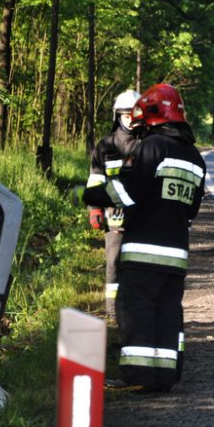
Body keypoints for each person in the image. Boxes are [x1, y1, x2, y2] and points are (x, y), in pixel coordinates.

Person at [83, 83, 206, 393]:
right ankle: (163, 378)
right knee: (166, 312)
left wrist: (92, 194)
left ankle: (137, 375)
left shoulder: (152, 146)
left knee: (135, 308)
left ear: (152, 114)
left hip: (143, 250)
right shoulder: (195, 157)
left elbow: (128, 192)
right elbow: (190, 209)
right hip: (176, 252)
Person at [86, 89, 141, 317]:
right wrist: (94, 210)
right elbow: (95, 180)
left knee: (139, 263)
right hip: (114, 216)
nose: (130, 120)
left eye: (134, 115)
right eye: (125, 115)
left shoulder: (148, 144)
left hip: (141, 216)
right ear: (117, 116)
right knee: (113, 263)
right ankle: (112, 311)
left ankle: (136, 307)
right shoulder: (106, 146)